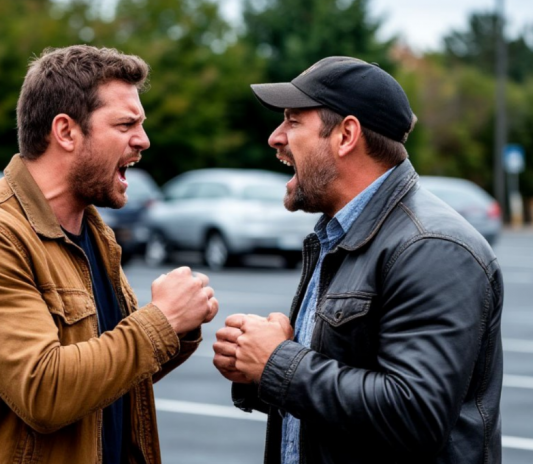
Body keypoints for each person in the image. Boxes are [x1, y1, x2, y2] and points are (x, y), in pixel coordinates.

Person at [0, 45, 218, 464]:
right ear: (66, 131)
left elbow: (103, 379)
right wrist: (161, 321)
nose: (143, 140)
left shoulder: (92, 232)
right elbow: (45, 392)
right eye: (126, 124)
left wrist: (179, 330)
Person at [213, 56, 503, 464]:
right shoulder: (339, 234)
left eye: (293, 121)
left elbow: (415, 416)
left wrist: (278, 362)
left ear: (346, 135)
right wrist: (257, 372)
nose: (275, 137)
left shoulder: (432, 246)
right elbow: (343, 411)